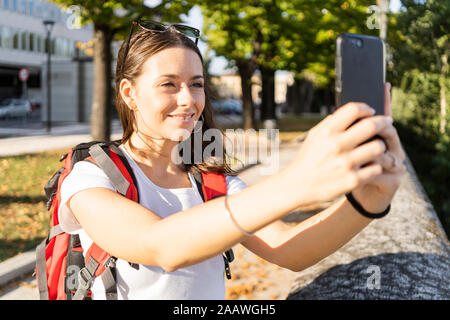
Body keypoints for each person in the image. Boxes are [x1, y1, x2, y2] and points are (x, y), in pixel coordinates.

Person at [58, 20, 406, 300]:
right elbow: (161, 245)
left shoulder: (211, 182)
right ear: (129, 93)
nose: (188, 100)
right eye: (169, 84)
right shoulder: (92, 176)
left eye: (196, 84)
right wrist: (296, 182)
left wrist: (365, 203)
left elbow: (289, 249)